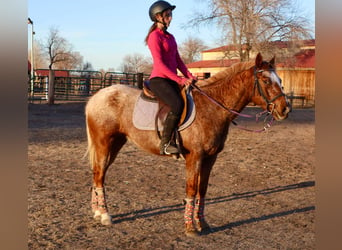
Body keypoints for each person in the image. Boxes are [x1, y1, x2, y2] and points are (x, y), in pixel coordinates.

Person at [145, 1, 196, 155]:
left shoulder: (171, 37)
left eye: (171, 15)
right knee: (177, 104)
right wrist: (180, 80)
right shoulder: (154, 37)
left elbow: (178, 60)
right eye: (167, 15)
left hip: (172, 78)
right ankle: (166, 143)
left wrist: (189, 75)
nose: (170, 18)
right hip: (159, 80)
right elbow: (159, 65)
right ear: (158, 17)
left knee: (192, 99)